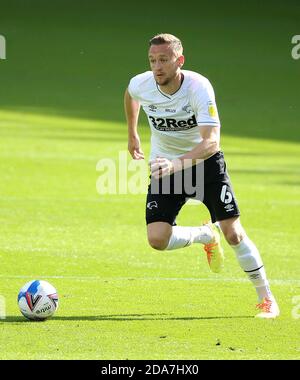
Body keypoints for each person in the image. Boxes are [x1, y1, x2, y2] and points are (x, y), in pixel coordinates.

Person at [124, 33, 279, 318]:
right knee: (157, 239)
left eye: (164, 60)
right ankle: (205, 235)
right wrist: (133, 133)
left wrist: (177, 164)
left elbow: (212, 143)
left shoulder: (198, 88)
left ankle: (266, 298)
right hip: (167, 167)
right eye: (152, 61)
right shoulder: (142, 83)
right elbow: (131, 95)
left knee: (233, 233)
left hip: (205, 165)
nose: (157, 67)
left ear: (179, 61)